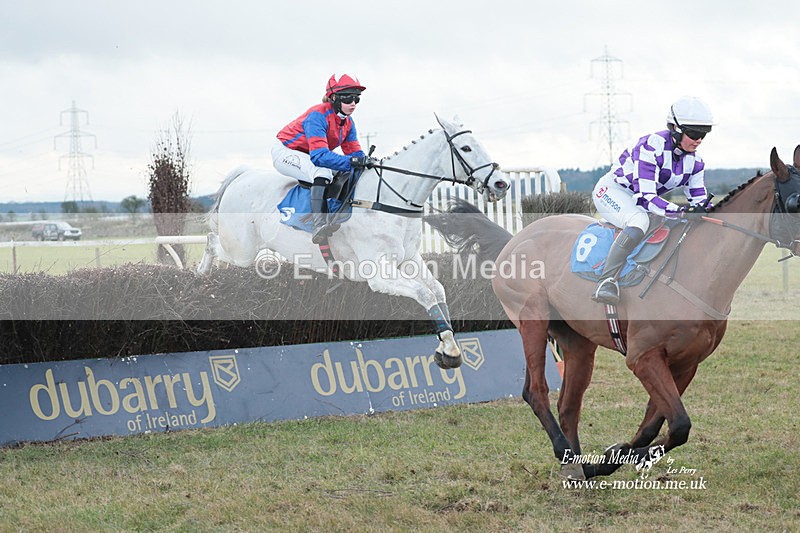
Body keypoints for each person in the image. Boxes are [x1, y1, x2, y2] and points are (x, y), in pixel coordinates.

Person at [591, 95, 715, 305]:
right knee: (639, 221)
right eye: (694, 133)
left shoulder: (696, 162)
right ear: (675, 128)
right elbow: (646, 198)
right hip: (613, 192)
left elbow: (700, 200)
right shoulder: (650, 146)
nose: (699, 139)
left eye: (704, 134)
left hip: (642, 198)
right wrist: (682, 211)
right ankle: (606, 280)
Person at [271, 73, 373, 243]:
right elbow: (319, 157)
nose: (353, 103)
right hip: (286, 151)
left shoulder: (348, 122)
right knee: (323, 171)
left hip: (309, 153)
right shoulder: (317, 115)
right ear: (333, 98)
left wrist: (366, 162)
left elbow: (353, 152)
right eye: (348, 98)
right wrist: (352, 162)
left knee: (350, 171)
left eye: (357, 98)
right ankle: (318, 224)